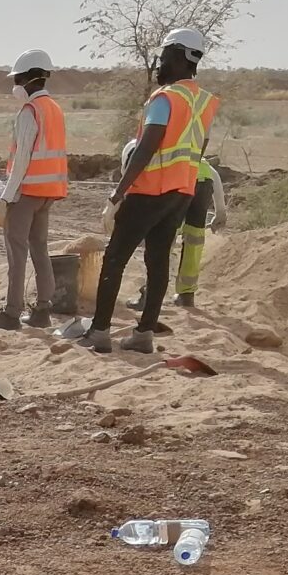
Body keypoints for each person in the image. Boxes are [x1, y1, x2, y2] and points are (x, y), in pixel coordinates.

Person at [86, 27, 220, 353]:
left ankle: (100, 332)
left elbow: (145, 149)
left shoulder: (165, 98)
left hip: (149, 191)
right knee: (158, 261)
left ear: (177, 56)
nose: (159, 63)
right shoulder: (201, 101)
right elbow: (198, 149)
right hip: (181, 192)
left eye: (163, 56)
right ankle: (144, 334)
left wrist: (116, 196)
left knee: (115, 258)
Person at [0, 49, 67, 330]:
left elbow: (22, 160)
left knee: (17, 252)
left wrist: (4, 199)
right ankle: (42, 310)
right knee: (39, 250)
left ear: (31, 79)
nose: (16, 85)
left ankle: (11, 314)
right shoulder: (55, 109)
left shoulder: (29, 111)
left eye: (18, 79)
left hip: (26, 193)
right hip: (49, 192)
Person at [175, 151, 225, 308]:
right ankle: (186, 295)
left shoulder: (139, 148)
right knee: (194, 240)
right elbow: (212, 173)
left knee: (163, 237)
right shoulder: (195, 154)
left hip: (178, 182)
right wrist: (221, 211)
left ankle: (151, 291)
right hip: (204, 185)